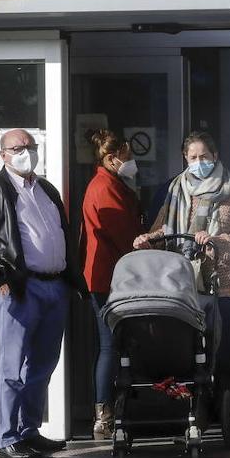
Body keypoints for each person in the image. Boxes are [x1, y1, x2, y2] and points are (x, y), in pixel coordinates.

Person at [0, 129, 83, 458]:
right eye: (18, 148)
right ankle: (6, 437)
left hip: (54, 285)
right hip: (19, 288)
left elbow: (62, 232)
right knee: (12, 364)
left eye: (30, 147)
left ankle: (28, 429)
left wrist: (70, 281)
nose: (26, 153)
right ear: (2, 154)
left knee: (43, 363)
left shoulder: (46, 188)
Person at [134, 131, 230, 408]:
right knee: (195, 353)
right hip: (187, 287)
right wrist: (146, 240)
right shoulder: (177, 189)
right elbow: (162, 230)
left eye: (204, 156)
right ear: (185, 159)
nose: (199, 162)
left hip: (228, 286)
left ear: (215, 157)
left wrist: (215, 240)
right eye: (193, 157)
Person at [80, 129, 143, 440]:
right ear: (111, 158)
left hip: (111, 274)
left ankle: (110, 410)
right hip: (109, 277)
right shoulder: (104, 187)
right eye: (128, 156)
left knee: (113, 345)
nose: (131, 161)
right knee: (109, 346)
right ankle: (103, 414)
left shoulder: (111, 183)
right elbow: (124, 234)